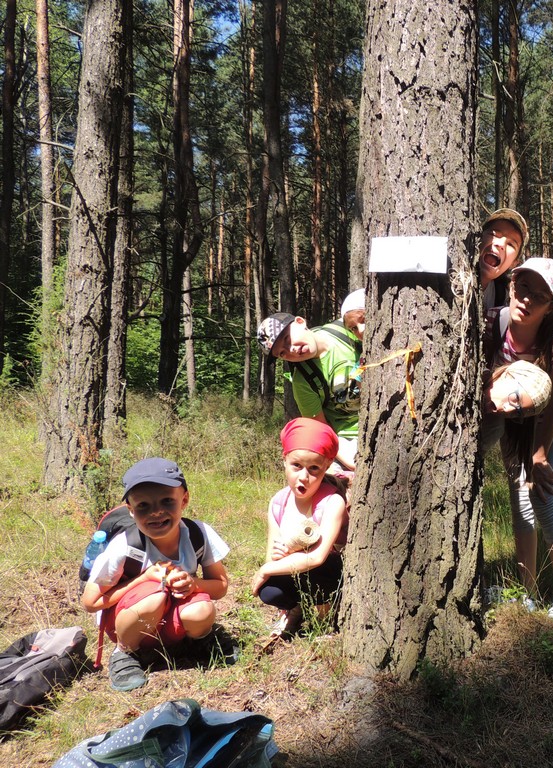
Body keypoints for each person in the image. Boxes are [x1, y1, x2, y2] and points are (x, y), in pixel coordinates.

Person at [483, 257, 553, 620]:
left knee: (542, 498)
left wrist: (540, 453)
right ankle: (524, 591)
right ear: (512, 284)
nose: (526, 299)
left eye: (538, 296)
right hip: (511, 416)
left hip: (549, 421)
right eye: (523, 287)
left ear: (550, 305)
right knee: (520, 501)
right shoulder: (493, 322)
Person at [81, 458, 231, 692]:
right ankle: (125, 653)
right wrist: (143, 579)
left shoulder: (197, 534)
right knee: (154, 595)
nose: (156, 512)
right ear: (131, 510)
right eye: (143, 505)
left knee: (201, 609)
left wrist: (193, 584)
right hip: (128, 623)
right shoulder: (125, 546)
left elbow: (220, 586)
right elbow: (90, 603)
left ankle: (193, 643)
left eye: (167, 501)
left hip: (168, 624)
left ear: (184, 500)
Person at [251, 418, 350, 639]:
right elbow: (271, 555)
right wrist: (276, 558)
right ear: (284, 460)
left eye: (314, 468)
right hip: (301, 571)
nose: (304, 477)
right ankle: (295, 609)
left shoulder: (332, 502)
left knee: (324, 568)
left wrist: (266, 569)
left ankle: (326, 617)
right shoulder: (279, 502)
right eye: (296, 466)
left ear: (326, 466)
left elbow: (317, 558)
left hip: (328, 571)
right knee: (270, 590)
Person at [257, 289, 365, 469]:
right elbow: (322, 430)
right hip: (348, 439)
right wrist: (356, 465)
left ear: (300, 322)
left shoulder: (347, 327)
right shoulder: (303, 382)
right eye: (282, 353)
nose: (291, 350)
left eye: (287, 338)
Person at [479, 208, 528, 311]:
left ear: (514, 263)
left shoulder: (503, 297)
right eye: (493, 234)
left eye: (511, 244)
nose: (501, 244)